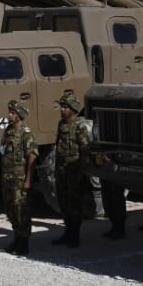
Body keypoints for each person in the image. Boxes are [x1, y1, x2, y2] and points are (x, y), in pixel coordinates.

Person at [51, 92, 91, 248]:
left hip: (74, 171)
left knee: (75, 205)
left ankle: (75, 236)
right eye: (61, 106)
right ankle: (67, 232)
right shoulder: (61, 124)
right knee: (63, 203)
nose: (62, 109)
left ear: (73, 109)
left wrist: (81, 173)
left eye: (65, 107)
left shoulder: (79, 126)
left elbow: (85, 151)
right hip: (61, 171)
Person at [0, 99, 36, 256]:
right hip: (7, 177)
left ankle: (24, 243)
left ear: (19, 115)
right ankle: (16, 238)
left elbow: (32, 156)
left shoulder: (26, 133)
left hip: (20, 178)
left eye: (13, 113)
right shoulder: (8, 130)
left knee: (22, 210)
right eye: (9, 112)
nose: (10, 115)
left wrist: (28, 180)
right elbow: (3, 150)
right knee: (11, 209)